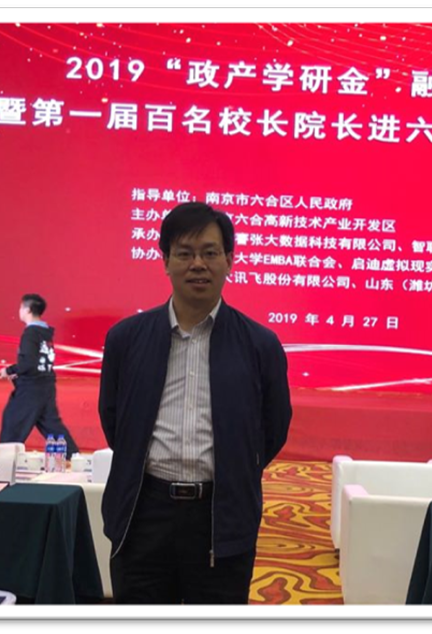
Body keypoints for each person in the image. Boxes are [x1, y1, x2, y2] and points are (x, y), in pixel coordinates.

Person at [98, 201, 292, 604]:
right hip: (143, 513)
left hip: (221, 516)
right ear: (165, 261)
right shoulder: (125, 339)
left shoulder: (260, 344)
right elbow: (115, 420)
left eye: (210, 252)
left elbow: (273, 428)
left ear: (229, 260)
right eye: (185, 253)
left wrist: (237, 471)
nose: (198, 264)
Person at [0, 293, 79, 457]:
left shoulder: (31, 333)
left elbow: (28, 362)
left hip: (31, 388)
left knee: (13, 423)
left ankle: (4, 460)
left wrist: (9, 370)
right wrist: (19, 372)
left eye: (21, 307)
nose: (19, 311)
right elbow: (36, 362)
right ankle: (74, 455)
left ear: (28, 310)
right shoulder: (45, 333)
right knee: (52, 425)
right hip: (46, 385)